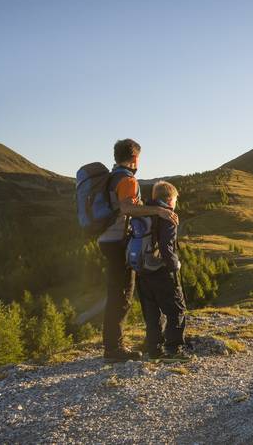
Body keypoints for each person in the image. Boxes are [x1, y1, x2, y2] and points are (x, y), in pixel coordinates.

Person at [98, 139, 178, 363]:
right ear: (135, 158)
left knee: (118, 292)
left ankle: (115, 345)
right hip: (118, 242)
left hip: (107, 239)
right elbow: (127, 208)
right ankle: (114, 350)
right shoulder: (127, 179)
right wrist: (158, 211)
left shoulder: (112, 177)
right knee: (121, 295)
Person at [135, 180, 189, 361]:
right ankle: (174, 350)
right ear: (169, 199)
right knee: (176, 309)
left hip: (142, 270)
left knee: (152, 313)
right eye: (175, 200)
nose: (175, 204)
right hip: (161, 269)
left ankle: (154, 350)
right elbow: (167, 247)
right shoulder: (168, 216)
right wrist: (175, 266)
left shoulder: (142, 212)